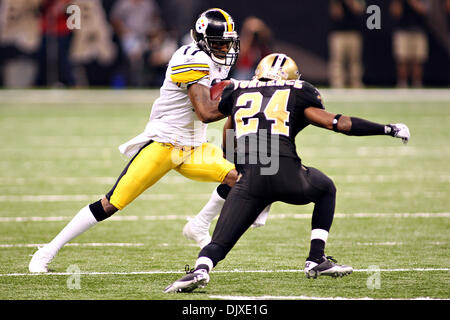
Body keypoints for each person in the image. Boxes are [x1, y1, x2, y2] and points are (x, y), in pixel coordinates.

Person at [28, 8, 263, 273]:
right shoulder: (190, 58)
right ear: (202, 40)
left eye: (227, 43)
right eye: (218, 43)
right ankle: (47, 251)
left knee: (243, 180)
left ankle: (199, 223)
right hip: (165, 145)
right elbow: (206, 112)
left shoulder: (214, 59)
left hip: (195, 147)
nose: (224, 48)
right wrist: (240, 99)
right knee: (110, 203)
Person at [164, 53, 410, 293]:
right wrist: (387, 129)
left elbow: (228, 135)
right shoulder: (298, 90)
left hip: (252, 178)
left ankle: (200, 269)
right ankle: (316, 259)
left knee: (218, 243)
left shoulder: (238, 90)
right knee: (325, 188)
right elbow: (337, 123)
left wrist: (239, 171)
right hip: (287, 173)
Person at [390, 0, 429, 88]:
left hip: (418, 31)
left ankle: (417, 84)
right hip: (402, 31)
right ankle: (402, 84)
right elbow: (395, 13)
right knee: (402, 58)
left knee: (418, 59)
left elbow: (425, 10)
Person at [328, 0, 365, 88]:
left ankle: (356, 83)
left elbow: (359, 10)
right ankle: (337, 84)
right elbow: (336, 14)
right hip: (338, 33)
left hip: (354, 32)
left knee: (355, 61)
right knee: (337, 61)